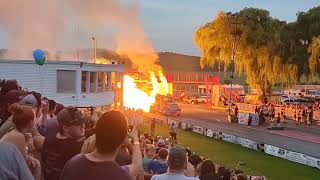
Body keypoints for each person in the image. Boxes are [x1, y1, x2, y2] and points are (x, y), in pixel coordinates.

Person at [60, 110, 141, 180]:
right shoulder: (121, 176)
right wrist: (135, 140)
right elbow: (137, 167)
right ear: (122, 141)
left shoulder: (72, 164)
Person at [42, 107, 86, 180]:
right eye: (79, 124)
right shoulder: (77, 146)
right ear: (65, 128)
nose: (83, 126)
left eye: (83, 122)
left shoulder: (48, 140)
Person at [0, 103, 41, 180]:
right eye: (34, 116)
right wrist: (27, 146)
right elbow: (22, 160)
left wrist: (30, 157)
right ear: (30, 121)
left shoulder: (17, 133)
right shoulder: (18, 136)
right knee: (36, 165)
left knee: (35, 162)